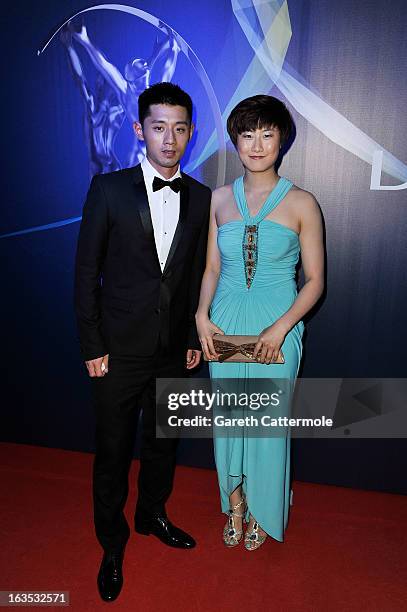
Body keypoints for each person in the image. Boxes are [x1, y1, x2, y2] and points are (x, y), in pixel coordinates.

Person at [74, 82, 211, 601]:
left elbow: (196, 270)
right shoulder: (108, 190)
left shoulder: (199, 197)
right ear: (139, 130)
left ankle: (152, 515)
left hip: (175, 349)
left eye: (179, 128)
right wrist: (92, 345)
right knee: (112, 451)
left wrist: (193, 336)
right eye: (159, 127)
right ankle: (112, 544)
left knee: (163, 444)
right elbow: (85, 274)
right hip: (116, 351)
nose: (169, 139)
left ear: (190, 132)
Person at [196, 95, 324, 550]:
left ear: (281, 139)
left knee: (266, 424)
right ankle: (235, 505)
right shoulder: (217, 200)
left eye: (267, 133)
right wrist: (200, 315)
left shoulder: (303, 203)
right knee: (231, 419)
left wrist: (281, 328)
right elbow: (211, 268)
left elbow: (314, 281)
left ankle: (266, 508)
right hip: (227, 324)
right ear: (235, 140)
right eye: (247, 134)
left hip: (278, 328)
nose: (256, 144)